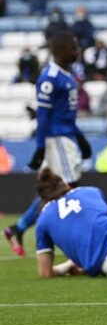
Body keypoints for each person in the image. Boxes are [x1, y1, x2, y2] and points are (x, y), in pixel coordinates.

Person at [4, 31, 92, 257]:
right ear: (60, 50)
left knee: (61, 190)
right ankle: (70, 240)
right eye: (72, 46)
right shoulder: (50, 77)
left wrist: (81, 139)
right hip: (58, 140)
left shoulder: (66, 76)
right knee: (68, 188)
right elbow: (44, 116)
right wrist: (41, 146)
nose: (77, 50)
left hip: (67, 136)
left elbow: (66, 116)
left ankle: (19, 228)